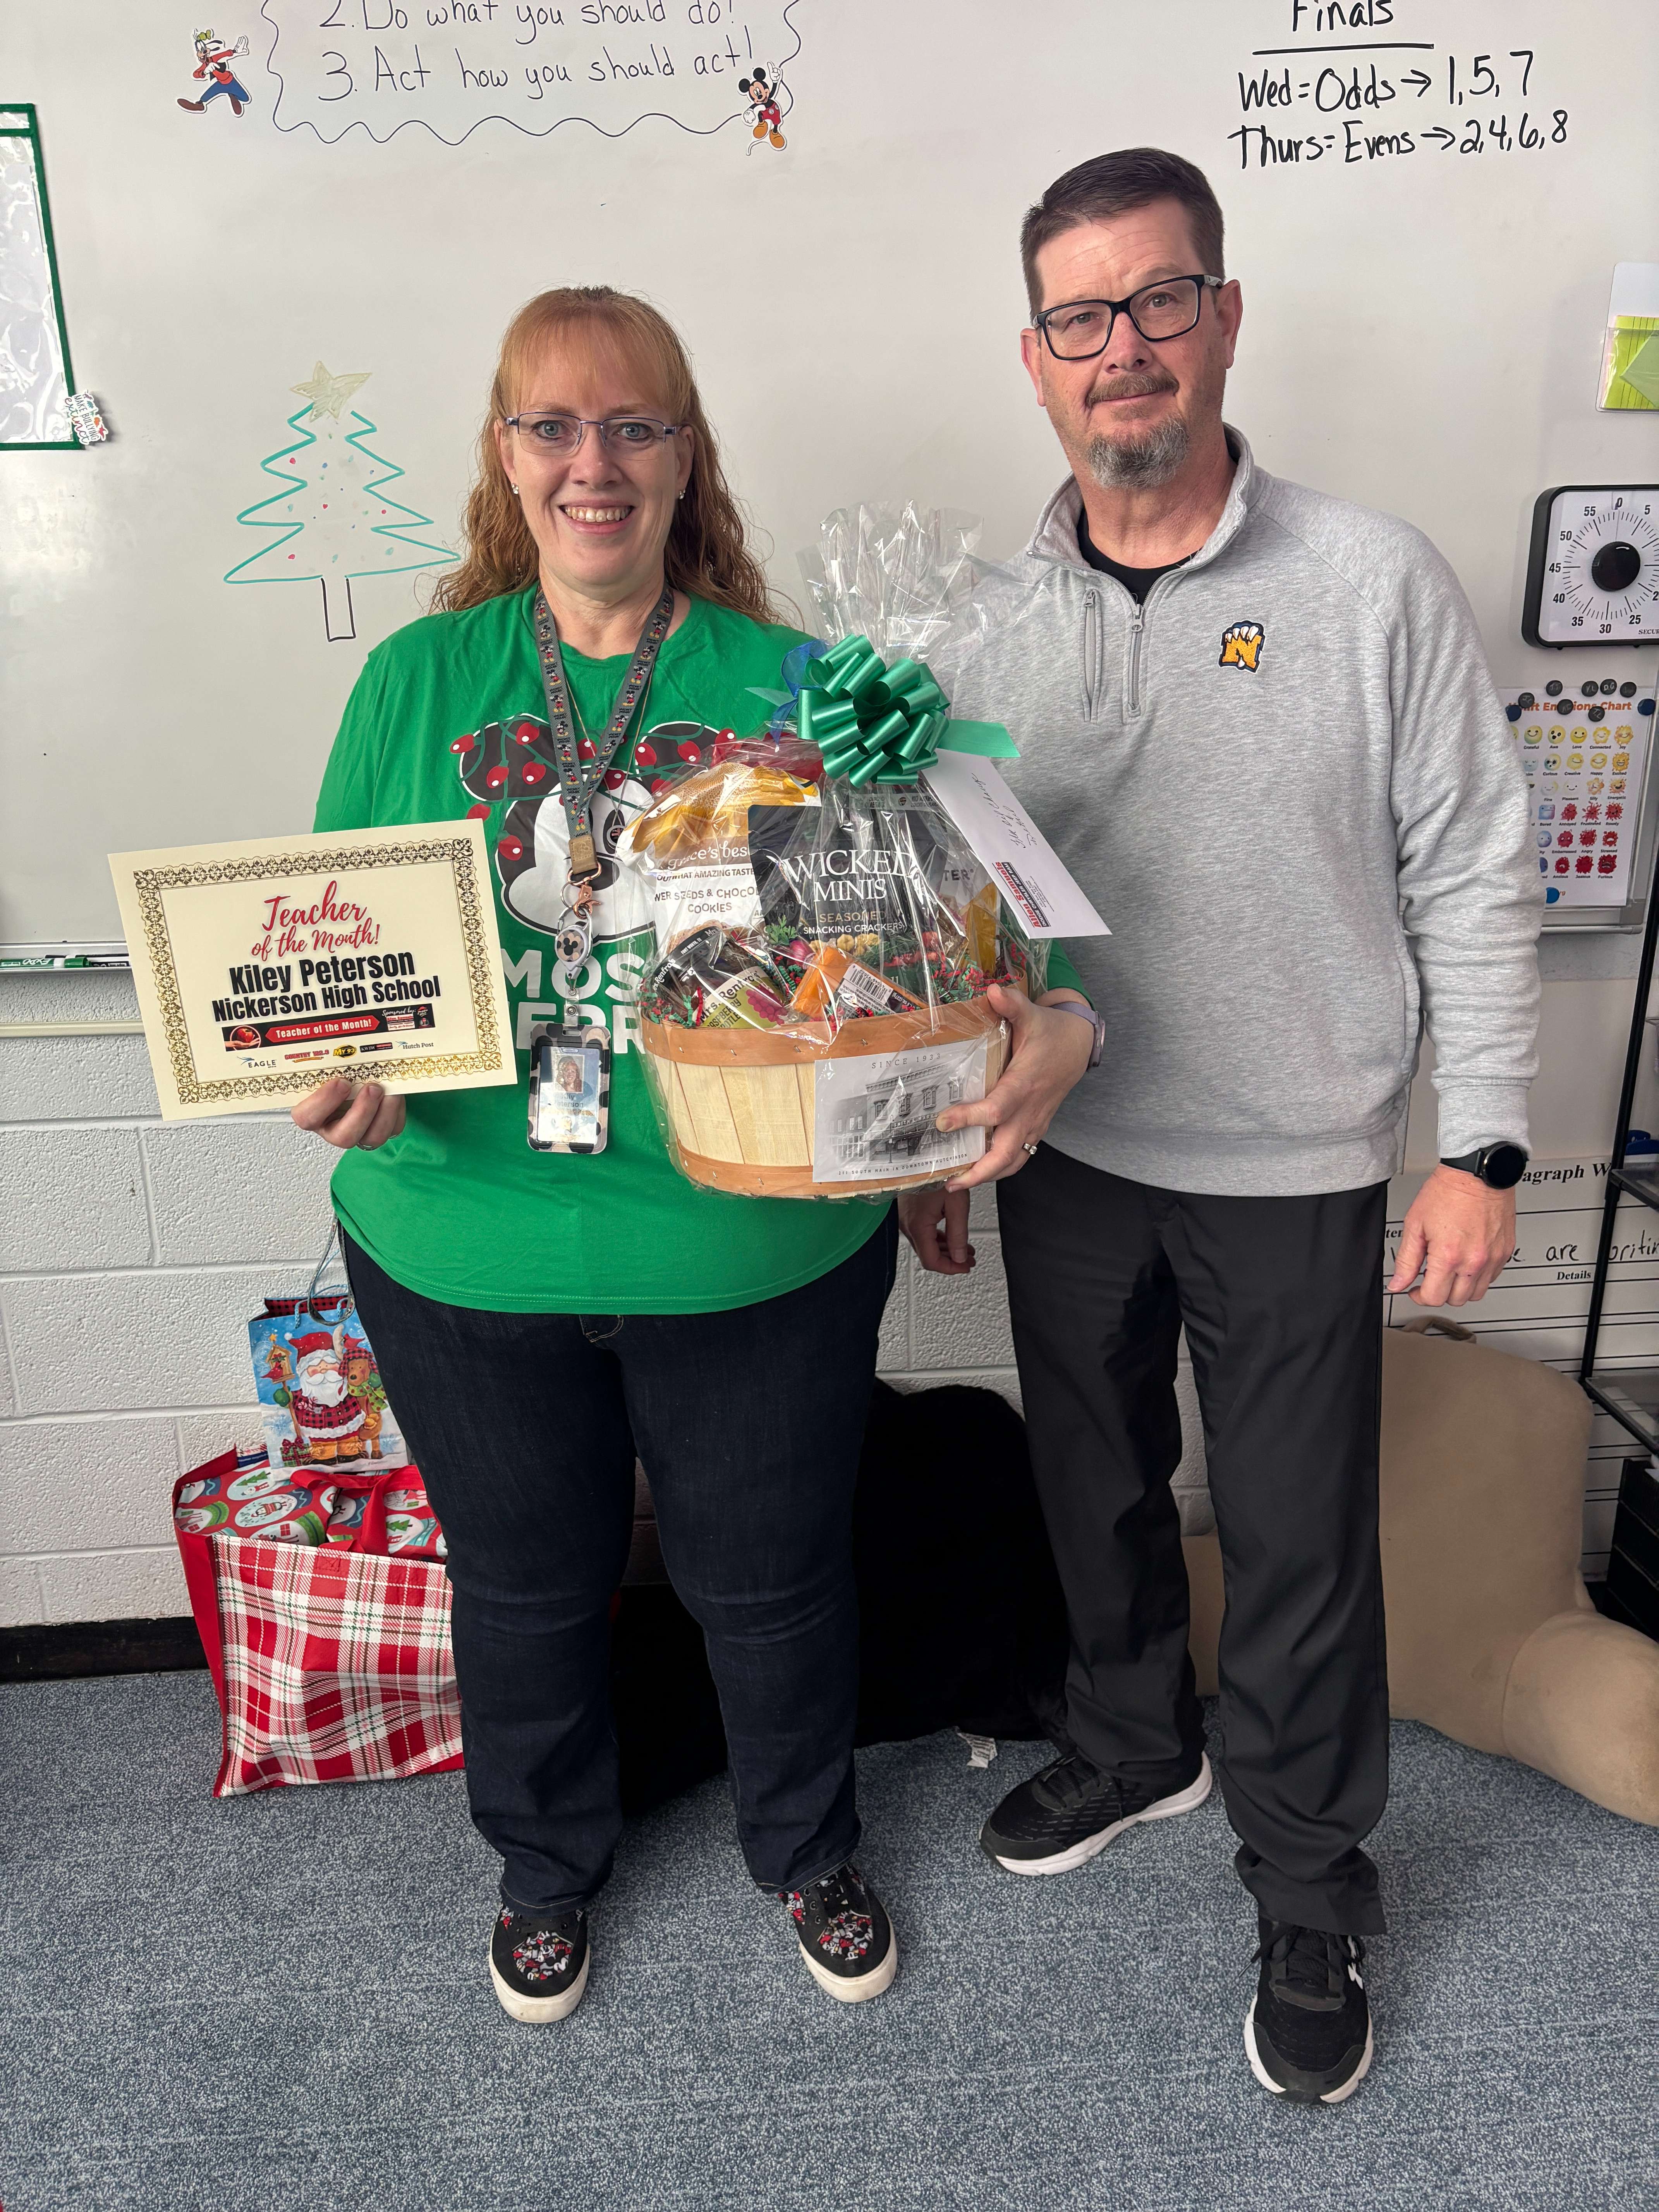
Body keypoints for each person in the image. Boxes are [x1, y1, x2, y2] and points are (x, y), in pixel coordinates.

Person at [898, 148, 1540, 2104]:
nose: (1126, 349)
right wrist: (933, 1125)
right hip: (1069, 1155)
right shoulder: (986, 631)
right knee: (1089, 1494)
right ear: (1036, 360)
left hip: (1298, 1163)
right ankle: (1130, 1737)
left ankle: (1311, 1876)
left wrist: (1482, 1141)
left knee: (1292, 1544)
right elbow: (953, 913)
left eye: (1160, 301)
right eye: (1083, 317)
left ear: (1225, 319)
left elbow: (1480, 868)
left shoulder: (1372, 582)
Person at [293, 286, 899, 2025]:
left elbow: (894, 951)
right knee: (526, 1582)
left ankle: (808, 1845)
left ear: (686, 454)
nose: (593, 462)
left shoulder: (793, 685)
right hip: (459, 1229)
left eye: (633, 424)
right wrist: (337, 1065)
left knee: (773, 1583)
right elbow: (332, 955)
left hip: (748, 1241)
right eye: (552, 426)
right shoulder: (420, 677)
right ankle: (545, 1866)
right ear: (504, 456)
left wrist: (930, 1141)